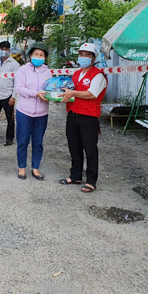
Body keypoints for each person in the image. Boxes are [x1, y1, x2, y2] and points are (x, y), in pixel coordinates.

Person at [59, 42, 107, 193]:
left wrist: (72, 93)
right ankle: (75, 175)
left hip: (89, 117)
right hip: (73, 114)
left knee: (90, 149)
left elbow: (92, 94)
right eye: (81, 54)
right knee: (74, 147)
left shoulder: (98, 75)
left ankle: (91, 180)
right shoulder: (77, 73)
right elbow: (72, 91)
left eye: (87, 55)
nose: (83, 57)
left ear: (93, 58)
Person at [14, 42, 52, 180]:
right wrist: (35, 93)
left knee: (38, 142)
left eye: (41, 55)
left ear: (45, 57)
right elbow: (19, 88)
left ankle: (35, 168)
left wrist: (51, 96)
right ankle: (22, 167)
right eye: (36, 54)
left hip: (42, 113)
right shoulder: (23, 70)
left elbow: (51, 89)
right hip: (24, 111)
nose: (38, 57)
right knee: (23, 140)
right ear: (30, 55)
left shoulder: (47, 72)